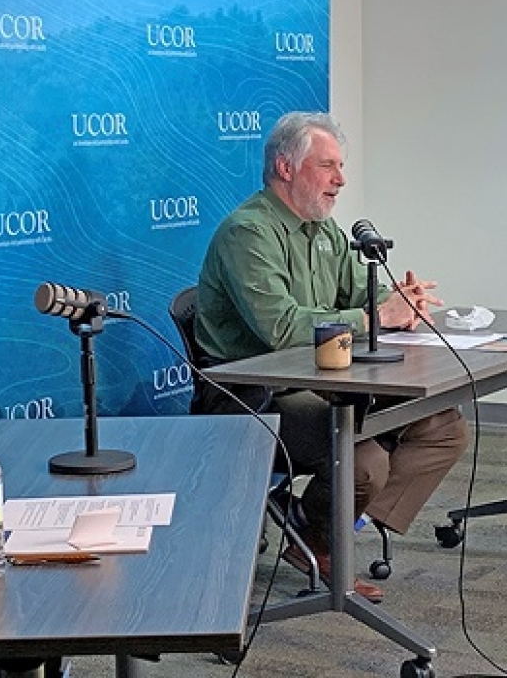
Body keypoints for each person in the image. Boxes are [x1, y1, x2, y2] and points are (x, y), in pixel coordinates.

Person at [192, 112, 469, 602]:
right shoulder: (248, 233)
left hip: (326, 380)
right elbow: (281, 330)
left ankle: (319, 530)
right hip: (254, 398)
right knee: (364, 461)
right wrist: (372, 317)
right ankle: (322, 537)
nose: (340, 180)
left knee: (441, 426)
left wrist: (398, 306)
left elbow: (364, 296)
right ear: (285, 167)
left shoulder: (326, 231)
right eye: (327, 167)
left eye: (341, 167)